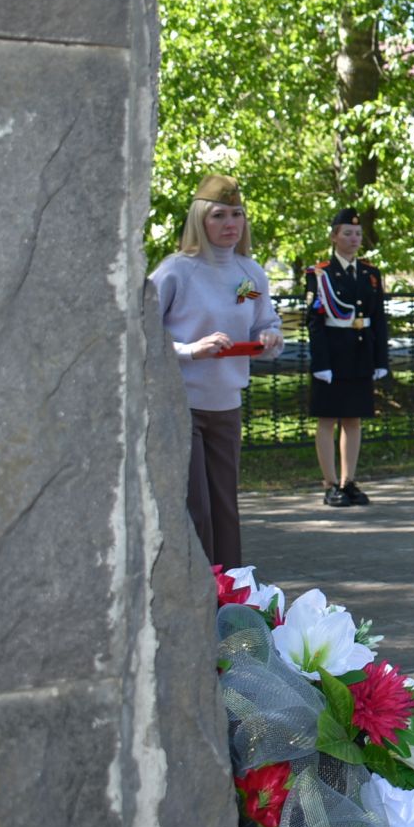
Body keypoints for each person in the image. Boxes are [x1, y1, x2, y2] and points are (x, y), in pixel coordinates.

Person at [148, 174, 283, 568]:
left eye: (237, 214)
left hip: (226, 406)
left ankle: (232, 602)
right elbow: (140, 336)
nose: (230, 224)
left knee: (225, 510)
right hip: (182, 404)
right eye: (219, 215)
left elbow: (261, 321)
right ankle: (195, 597)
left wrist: (270, 339)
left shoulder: (247, 275)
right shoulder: (176, 271)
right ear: (199, 221)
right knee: (197, 511)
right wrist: (191, 350)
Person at [306, 207, 389, 508]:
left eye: (357, 234)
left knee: (353, 419)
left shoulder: (370, 274)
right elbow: (314, 321)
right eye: (348, 233)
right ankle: (329, 482)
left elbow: (378, 319)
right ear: (334, 236)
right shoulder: (321, 273)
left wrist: (381, 359)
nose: (354, 238)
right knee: (328, 419)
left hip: (360, 354)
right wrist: (321, 364)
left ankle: (348, 480)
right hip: (333, 354)